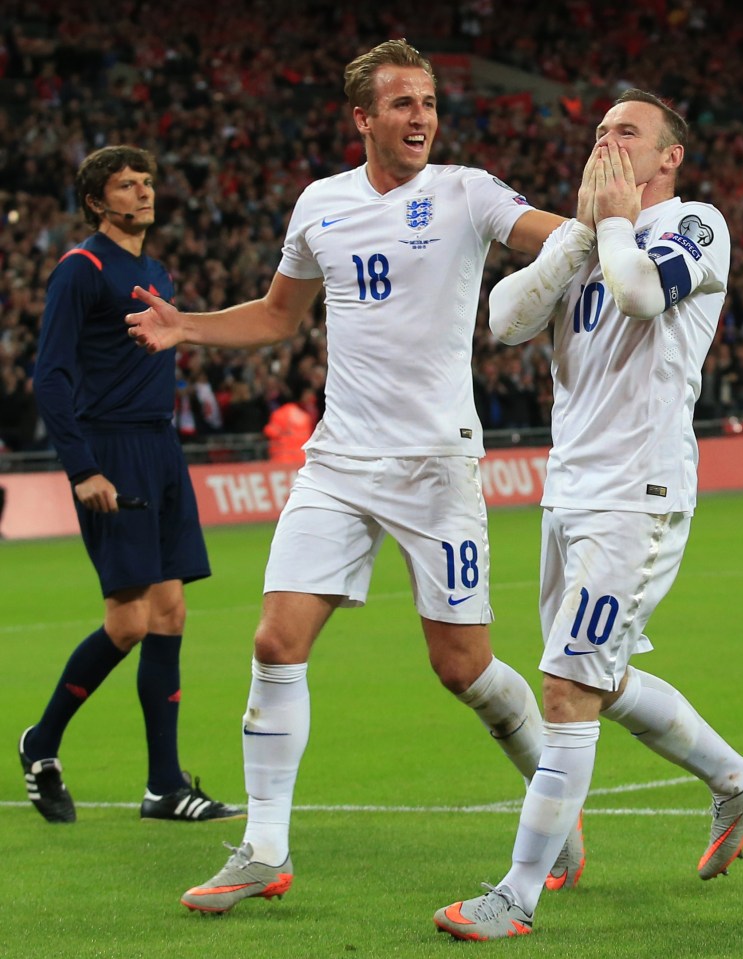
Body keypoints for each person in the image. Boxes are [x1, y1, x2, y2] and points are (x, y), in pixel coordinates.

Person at [125, 38, 580, 914]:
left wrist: (605, 234)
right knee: (273, 642)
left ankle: (554, 802)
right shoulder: (319, 204)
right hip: (338, 461)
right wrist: (189, 329)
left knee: (462, 666)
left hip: (437, 465)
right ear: (363, 116)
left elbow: (551, 239)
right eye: (402, 104)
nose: (421, 117)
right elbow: (277, 315)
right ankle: (264, 848)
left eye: (429, 102)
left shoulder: (466, 190)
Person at [434, 89, 743, 940]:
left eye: (626, 132)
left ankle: (516, 895)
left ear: (669, 157)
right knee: (599, 675)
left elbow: (636, 296)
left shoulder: (695, 224)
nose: (606, 142)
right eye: (599, 131)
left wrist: (616, 226)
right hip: (570, 491)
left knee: (566, 686)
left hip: (640, 492)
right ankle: (738, 779)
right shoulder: (588, 237)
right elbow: (505, 317)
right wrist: (580, 237)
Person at [23, 145, 242, 825]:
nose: (143, 192)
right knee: (129, 620)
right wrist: (83, 467)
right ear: (97, 201)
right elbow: (49, 376)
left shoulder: (157, 273)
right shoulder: (80, 271)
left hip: (160, 445)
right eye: (126, 184)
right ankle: (42, 741)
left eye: (147, 181)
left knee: (170, 613)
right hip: (111, 448)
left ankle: (163, 786)